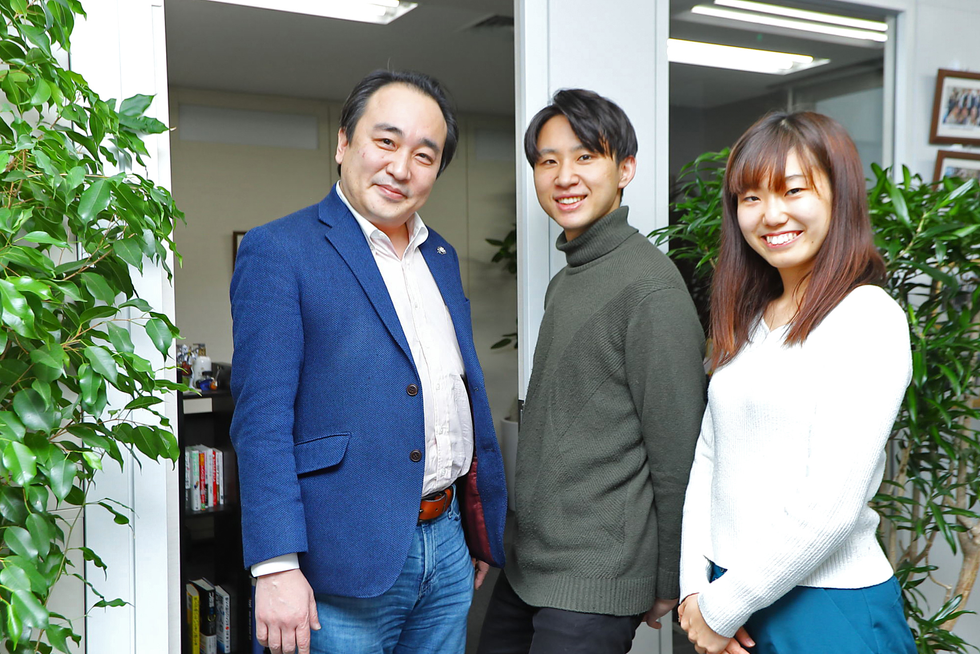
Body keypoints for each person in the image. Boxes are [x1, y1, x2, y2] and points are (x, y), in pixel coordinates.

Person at [229, 69, 507, 654]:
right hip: (337, 560)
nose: (401, 168)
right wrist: (275, 566)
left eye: (424, 155)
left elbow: (450, 388)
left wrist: (475, 530)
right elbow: (261, 421)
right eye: (386, 141)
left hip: (447, 543)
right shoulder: (280, 249)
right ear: (344, 143)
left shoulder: (440, 255)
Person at [477, 89, 707, 654]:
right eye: (547, 161)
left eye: (585, 157)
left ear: (625, 169)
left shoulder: (650, 289)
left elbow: (679, 451)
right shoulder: (567, 280)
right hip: (531, 565)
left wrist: (670, 579)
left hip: (595, 576)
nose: (564, 176)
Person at [678, 111, 916, 654]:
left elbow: (830, 506)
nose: (771, 214)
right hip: (731, 593)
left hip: (824, 605)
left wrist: (719, 609)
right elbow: (709, 461)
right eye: (751, 197)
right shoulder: (750, 319)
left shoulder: (867, 317)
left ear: (839, 196)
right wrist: (694, 589)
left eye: (792, 191)